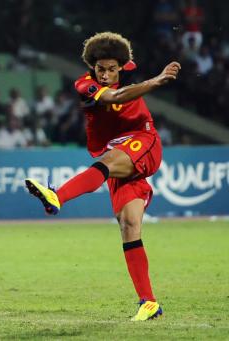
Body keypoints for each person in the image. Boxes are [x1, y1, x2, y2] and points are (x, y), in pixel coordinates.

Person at [25, 32, 181, 321]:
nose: (107, 74)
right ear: (92, 68)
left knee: (107, 162)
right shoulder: (85, 85)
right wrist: (155, 81)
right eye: (101, 69)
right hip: (120, 154)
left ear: (121, 66)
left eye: (112, 69)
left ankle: (56, 197)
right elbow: (117, 96)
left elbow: (126, 72)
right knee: (129, 224)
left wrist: (155, 78)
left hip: (143, 141)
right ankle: (149, 303)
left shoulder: (123, 67)